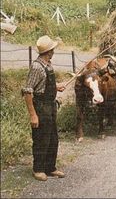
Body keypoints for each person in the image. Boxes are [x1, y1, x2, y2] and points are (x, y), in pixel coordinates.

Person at [22, 35, 66, 181]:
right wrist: (33, 115)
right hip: (40, 107)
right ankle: (38, 169)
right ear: (49, 51)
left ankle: (50, 168)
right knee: (41, 139)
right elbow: (28, 91)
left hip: (51, 106)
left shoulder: (47, 64)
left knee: (53, 139)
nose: (54, 51)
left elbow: (44, 84)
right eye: (52, 49)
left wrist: (56, 86)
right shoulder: (36, 67)